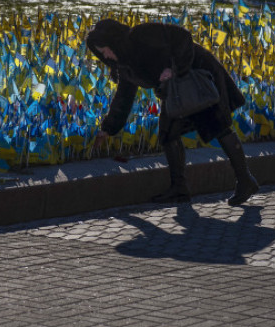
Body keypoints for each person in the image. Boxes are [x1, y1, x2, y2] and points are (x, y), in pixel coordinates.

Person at [85, 18, 259, 206]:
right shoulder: (124, 65)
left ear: (114, 42)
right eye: (102, 54)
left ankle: (245, 180)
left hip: (198, 78)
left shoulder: (141, 35)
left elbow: (183, 37)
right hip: (176, 92)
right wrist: (108, 128)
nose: (107, 56)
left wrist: (174, 68)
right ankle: (179, 188)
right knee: (168, 133)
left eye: (106, 50)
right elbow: (124, 97)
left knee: (218, 126)